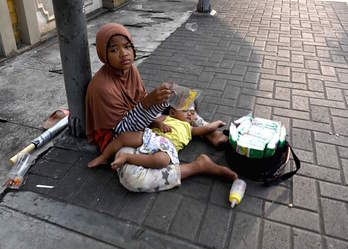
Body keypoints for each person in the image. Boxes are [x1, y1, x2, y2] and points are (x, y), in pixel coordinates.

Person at [85, 23, 236, 192]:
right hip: (118, 138)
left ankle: (209, 132)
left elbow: (140, 100)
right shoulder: (102, 87)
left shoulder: (130, 70)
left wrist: (156, 108)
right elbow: (121, 132)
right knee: (132, 178)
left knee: (179, 97)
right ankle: (198, 166)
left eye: (127, 47)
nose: (124, 54)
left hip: (140, 120)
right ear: (103, 55)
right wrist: (149, 105)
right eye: (114, 50)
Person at [88, 106, 230, 171]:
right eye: (186, 111)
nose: (190, 115)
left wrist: (216, 124)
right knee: (124, 137)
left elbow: (206, 129)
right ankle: (103, 156)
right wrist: (158, 123)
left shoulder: (190, 128)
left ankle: (127, 157)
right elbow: (151, 121)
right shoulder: (166, 117)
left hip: (167, 146)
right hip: (152, 137)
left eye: (192, 113)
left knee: (161, 161)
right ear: (173, 112)